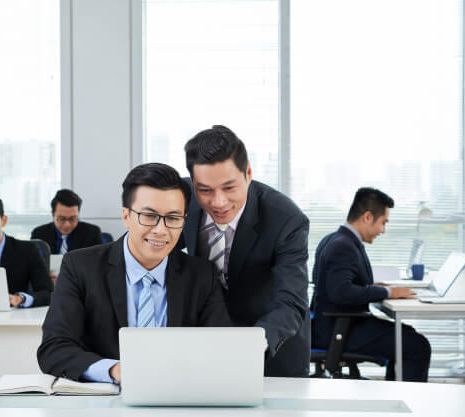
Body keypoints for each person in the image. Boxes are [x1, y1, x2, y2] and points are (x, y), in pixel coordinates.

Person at [37, 163, 231, 383]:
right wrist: (114, 371)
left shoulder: (201, 275)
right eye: (149, 216)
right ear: (126, 216)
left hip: (179, 391)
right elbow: (53, 348)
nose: (161, 230)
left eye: (173, 218)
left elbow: (220, 348)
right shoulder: (80, 267)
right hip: (105, 397)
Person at [180, 125, 311, 377]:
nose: (218, 202)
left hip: (272, 350)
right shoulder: (181, 200)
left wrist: (250, 345)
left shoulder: (286, 219)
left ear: (248, 173)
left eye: (229, 188)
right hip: (208, 345)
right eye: (205, 190)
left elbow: (291, 301)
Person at [311, 187, 431, 382]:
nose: (383, 230)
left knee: (406, 335)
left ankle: (396, 393)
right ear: (367, 217)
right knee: (416, 346)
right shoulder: (343, 245)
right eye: (383, 222)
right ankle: (406, 398)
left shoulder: (335, 239)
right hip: (338, 330)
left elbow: (334, 284)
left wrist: (372, 285)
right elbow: (341, 292)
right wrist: (386, 292)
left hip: (335, 324)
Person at [31, 189, 103, 255]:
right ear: (53, 213)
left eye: (72, 219)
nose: (67, 225)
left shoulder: (92, 233)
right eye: (62, 219)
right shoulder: (39, 234)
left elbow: (100, 262)